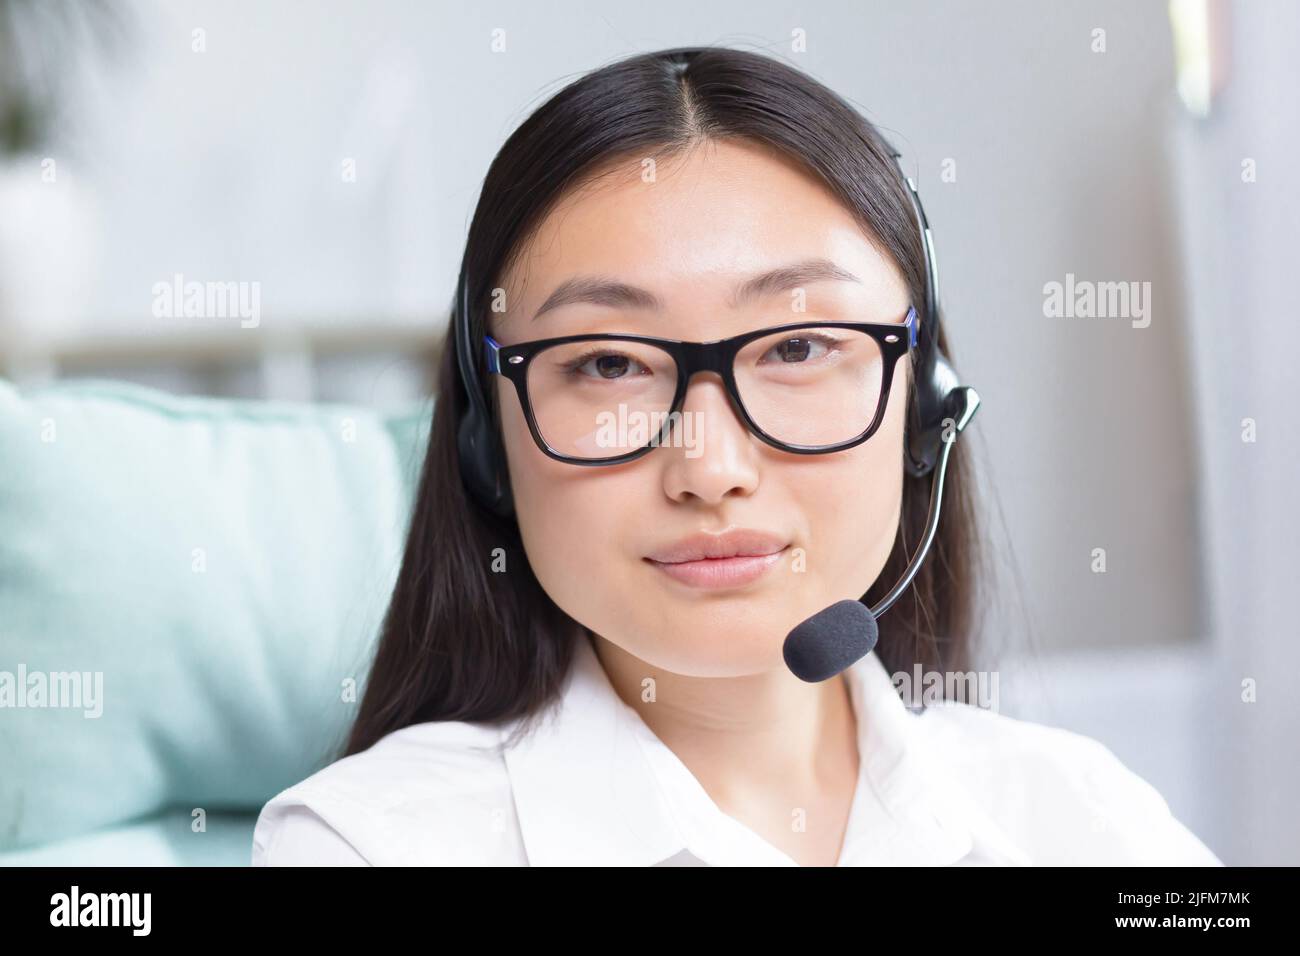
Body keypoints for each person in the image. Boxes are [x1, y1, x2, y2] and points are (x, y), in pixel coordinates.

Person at [252, 46, 1222, 866]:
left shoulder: (1082, 820)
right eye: (607, 361)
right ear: (486, 435)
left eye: (796, 347)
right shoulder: (371, 845)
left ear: (924, 406)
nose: (709, 466)